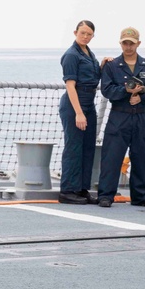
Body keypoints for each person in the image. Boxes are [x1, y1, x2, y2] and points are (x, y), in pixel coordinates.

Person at [96, 28, 145, 208]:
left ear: (138, 44)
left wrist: (143, 96)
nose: (128, 46)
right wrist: (125, 91)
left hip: (141, 116)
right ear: (120, 43)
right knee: (112, 157)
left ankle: (141, 196)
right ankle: (105, 195)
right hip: (119, 115)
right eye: (125, 43)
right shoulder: (112, 66)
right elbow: (107, 90)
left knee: (141, 157)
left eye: (131, 43)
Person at [58, 20, 103, 205]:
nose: (85, 36)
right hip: (74, 104)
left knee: (88, 147)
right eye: (82, 33)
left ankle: (82, 189)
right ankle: (67, 190)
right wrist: (78, 113)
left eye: (89, 34)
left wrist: (102, 66)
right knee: (74, 147)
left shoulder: (89, 54)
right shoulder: (71, 55)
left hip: (89, 102)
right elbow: (70, 85)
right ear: (75, 32)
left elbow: (92, 78)